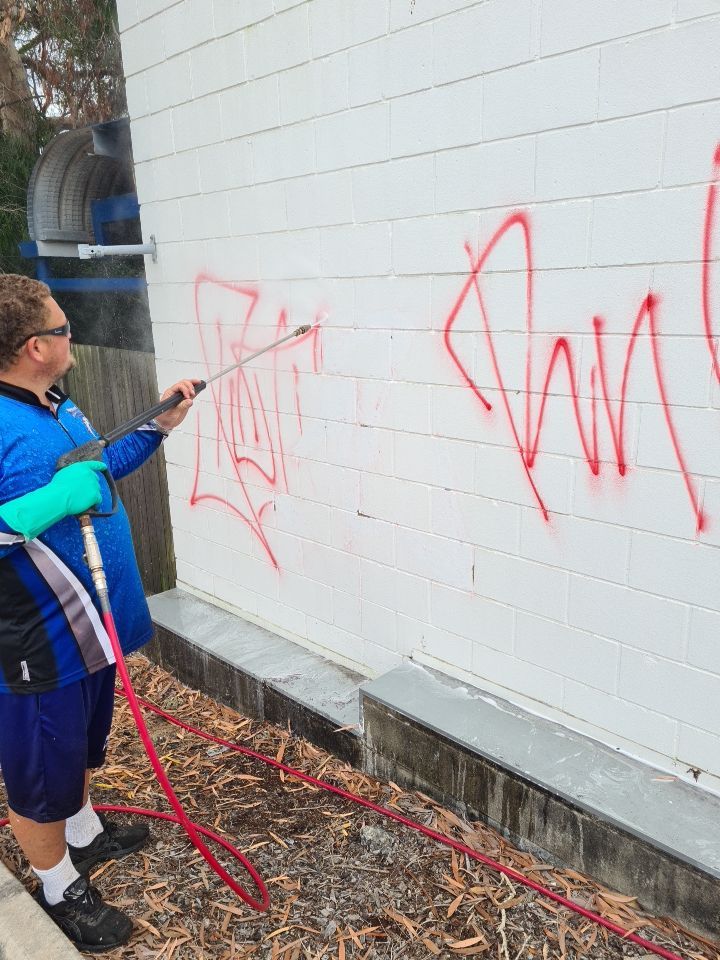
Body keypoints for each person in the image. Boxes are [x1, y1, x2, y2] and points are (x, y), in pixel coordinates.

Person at [0, 274, 198, 951]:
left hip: (91, 632)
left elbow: (99, 466)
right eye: (61, 328)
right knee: (38, 772)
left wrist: (158, 426)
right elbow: (50, 499)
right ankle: (58, 885)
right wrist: (50, 502)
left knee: (82, 745)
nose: (70, 335)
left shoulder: (53, 401)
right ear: (34, 346)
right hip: (39, 639)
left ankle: (81, 832)